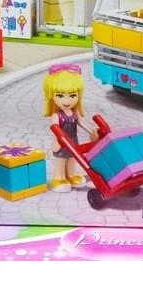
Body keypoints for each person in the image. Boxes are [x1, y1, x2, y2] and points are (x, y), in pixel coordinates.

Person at [43, 63, 98, 193]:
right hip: (62, 142)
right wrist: (57, 141)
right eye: (60, 96)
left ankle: (71, 175)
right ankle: (59, 178)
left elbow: (81, 123)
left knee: (73, 158)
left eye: (72, 95)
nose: (67, 100)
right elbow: (55, 129)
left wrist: (91, 132)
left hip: (73, 140)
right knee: (61, 159)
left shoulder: (74, 113)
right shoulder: (56, 115)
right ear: (52, 96)